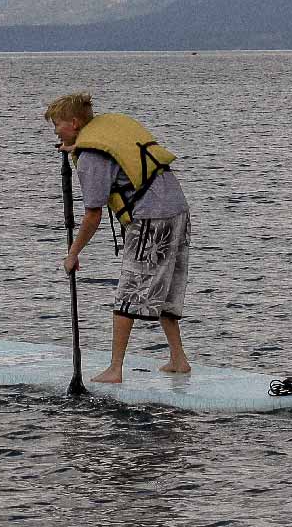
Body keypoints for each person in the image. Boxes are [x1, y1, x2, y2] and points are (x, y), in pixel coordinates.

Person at [44, 92, 192, 383]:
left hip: (151, 218)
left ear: (74, 123)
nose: (55, 131)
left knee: (128, 293)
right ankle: (178, 359)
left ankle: (115, 369)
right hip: (178, 211)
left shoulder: (90, 157)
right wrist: (77, 147)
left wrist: (73, 254)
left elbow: (93, 214)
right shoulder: (102, 136)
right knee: (166, 290)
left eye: (57, 124)